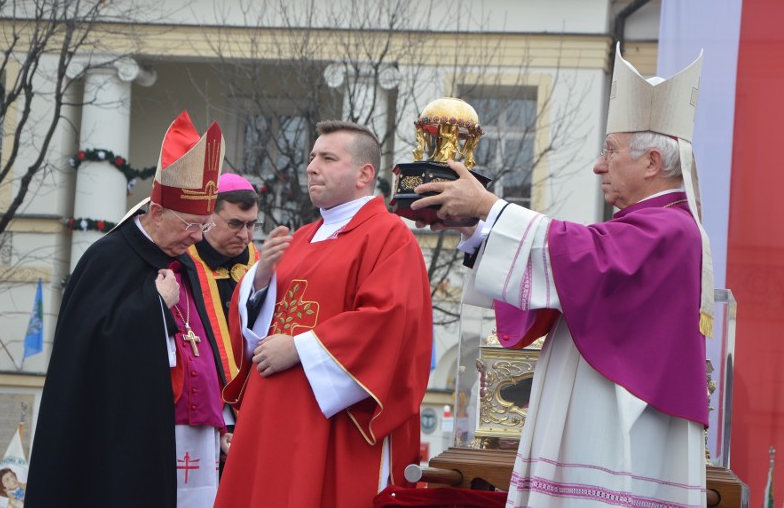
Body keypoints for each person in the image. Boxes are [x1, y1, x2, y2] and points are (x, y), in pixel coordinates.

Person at [411, 47, 713, 507]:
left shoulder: (672, 229)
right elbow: (574, 274)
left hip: (619, 433)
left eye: (609, 151)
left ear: (652, 162)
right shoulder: (645, 226)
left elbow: (586, 258)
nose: (598, 165)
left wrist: (490, 208)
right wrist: (474, 226)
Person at [215, 120, 434, 508]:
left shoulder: (390, 237)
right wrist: (260, 281)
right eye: (312, 156)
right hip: (271, 421)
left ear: (365, 174)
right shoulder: (300, 238)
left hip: (331, 425)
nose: (311, 167)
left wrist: (300, 348)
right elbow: (253, 329)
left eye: (328, 158)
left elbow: (388, 321)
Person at [26, 111, 232, 507]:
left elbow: (199, 344)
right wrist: (154, 304)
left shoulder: (184, 262)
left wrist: (215, 414)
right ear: (156, 213)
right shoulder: (107, 258)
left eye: (203, 227)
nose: (195, 238)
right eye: (189, 225)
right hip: (115, 435)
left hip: (179, 434)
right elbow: (91, 346)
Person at [186, 173, 261, 470]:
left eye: (252, 225)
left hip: (255, 410)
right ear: (207, 217)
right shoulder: (181, 264)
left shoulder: (262, 265)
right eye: (235, 224)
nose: (245, 236)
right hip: (201, 414)